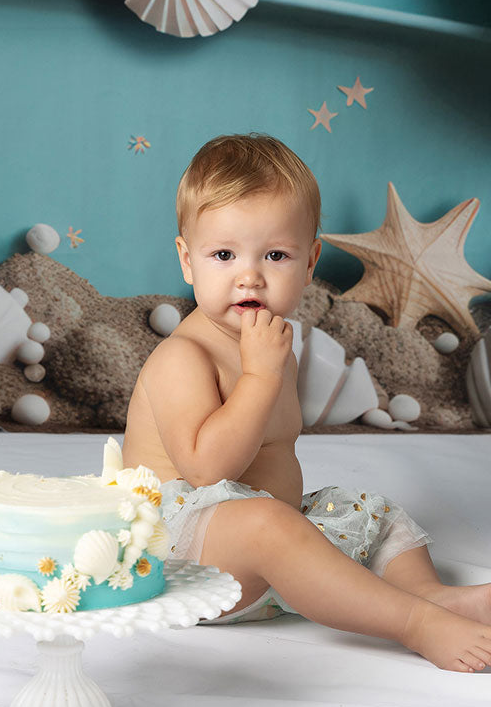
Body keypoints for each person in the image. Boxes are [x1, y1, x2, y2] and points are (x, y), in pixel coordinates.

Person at [122, 132, 491, 673]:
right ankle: (414, 623)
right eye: (223, 255)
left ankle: (429, 596)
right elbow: (206, 471)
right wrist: (259, 378)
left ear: (310, 261)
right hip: (182, 562)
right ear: (187, 260)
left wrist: (265, 371)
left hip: (271, 548)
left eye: (275, 255)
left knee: (373, 511)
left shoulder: (271, 345)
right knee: (268, 525)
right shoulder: (183, 357)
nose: (250, 276)